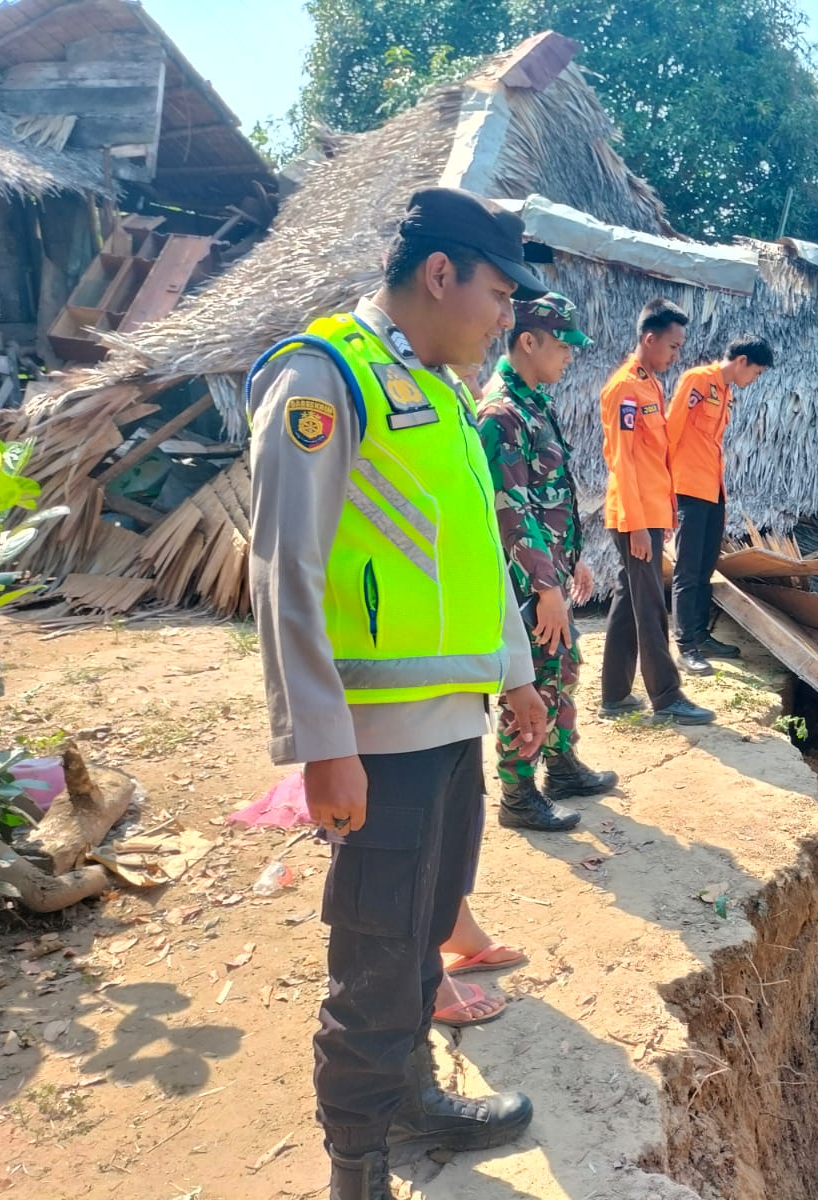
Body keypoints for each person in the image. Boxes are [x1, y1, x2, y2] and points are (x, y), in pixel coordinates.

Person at [246, 186, 552, 1200]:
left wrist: (516, 677)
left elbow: (472, 556)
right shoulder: (327, 375)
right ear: (439, 274)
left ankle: (413, 1095)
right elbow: (284, 567)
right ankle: (358, 1163)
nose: (505, 317)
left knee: (421, 929)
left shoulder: (444, 394)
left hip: (447, 730)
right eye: (499, 294)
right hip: (376, 741)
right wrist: (320, 739)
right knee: (376, 950)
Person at [476, 292, 618, 830]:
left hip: (549, 572)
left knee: (562, 671)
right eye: (563, 345)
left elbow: (550, 496)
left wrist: (571, 563)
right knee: (529, 682)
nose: (570, 356)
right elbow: (509, 509)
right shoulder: (501, 414)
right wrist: (544, 588)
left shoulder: (534, 403)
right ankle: (518, 793)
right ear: (527, 342)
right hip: (527, 583)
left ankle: (560, 767)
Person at [598, 298, 714, 724]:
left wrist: (663, 514)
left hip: (648, 513)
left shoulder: (651, 383)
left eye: (680, 347)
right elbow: (623, 462)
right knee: (649, 606)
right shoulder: (624, 388)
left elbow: (656, 457)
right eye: (672, 346)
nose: (676, 355)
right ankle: (667, 698)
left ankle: (614, 694)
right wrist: (637, 527)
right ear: (650, 339)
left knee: (630, 598)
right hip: (633, 516)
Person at [666, 336, 775, 676]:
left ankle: (701, 634)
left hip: (712, 490)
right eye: (755, 372)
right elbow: (671, 432)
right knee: (687, 568)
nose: (754, 380)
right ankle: (686, 645)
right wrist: (665, 490)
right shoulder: (698, 380)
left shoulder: (725, 392)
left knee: (704, 567)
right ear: (741, 361)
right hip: (688, 488)